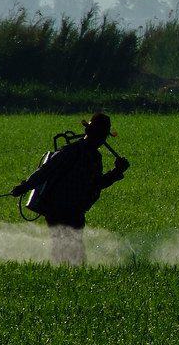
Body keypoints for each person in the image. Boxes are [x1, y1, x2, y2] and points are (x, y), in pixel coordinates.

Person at [10, 113, 130, 265]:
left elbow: (96, 184)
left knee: (74, 249)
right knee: (65, 247)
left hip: (75, 209)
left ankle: (68, 274)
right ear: (90, 133)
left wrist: (117, 171)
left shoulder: (94, 157)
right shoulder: (71, 151)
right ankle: (64, 275)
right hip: (58, 208)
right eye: (101, 135)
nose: (102, 140)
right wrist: (25, 186)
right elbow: (46, 171)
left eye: (103, 136)